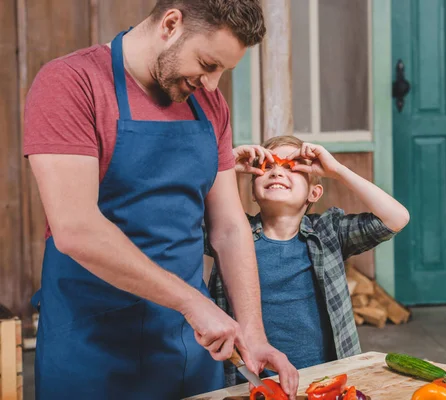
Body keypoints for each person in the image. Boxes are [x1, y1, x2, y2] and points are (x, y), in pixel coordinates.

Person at [22, 1, 298, 398]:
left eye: (222, 70)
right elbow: (76, 229)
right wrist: (190, 302)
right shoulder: (71, 83)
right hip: (90, 345)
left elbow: (229, 228)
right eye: (207, 63)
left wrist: (252, 332)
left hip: (189, 343)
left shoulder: (208, 103)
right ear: (171, 23)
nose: (212, 84)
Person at [207, 136, 410, 385]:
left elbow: (396, 218)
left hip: (324, 377)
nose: (277, 172)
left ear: (314, 193)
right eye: (267, 167)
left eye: (292, 167)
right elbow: (181, 220)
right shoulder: (229, 233)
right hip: (247, 379)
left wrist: (337, 170)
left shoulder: (329, 232)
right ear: (253, 192)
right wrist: (223, 168)